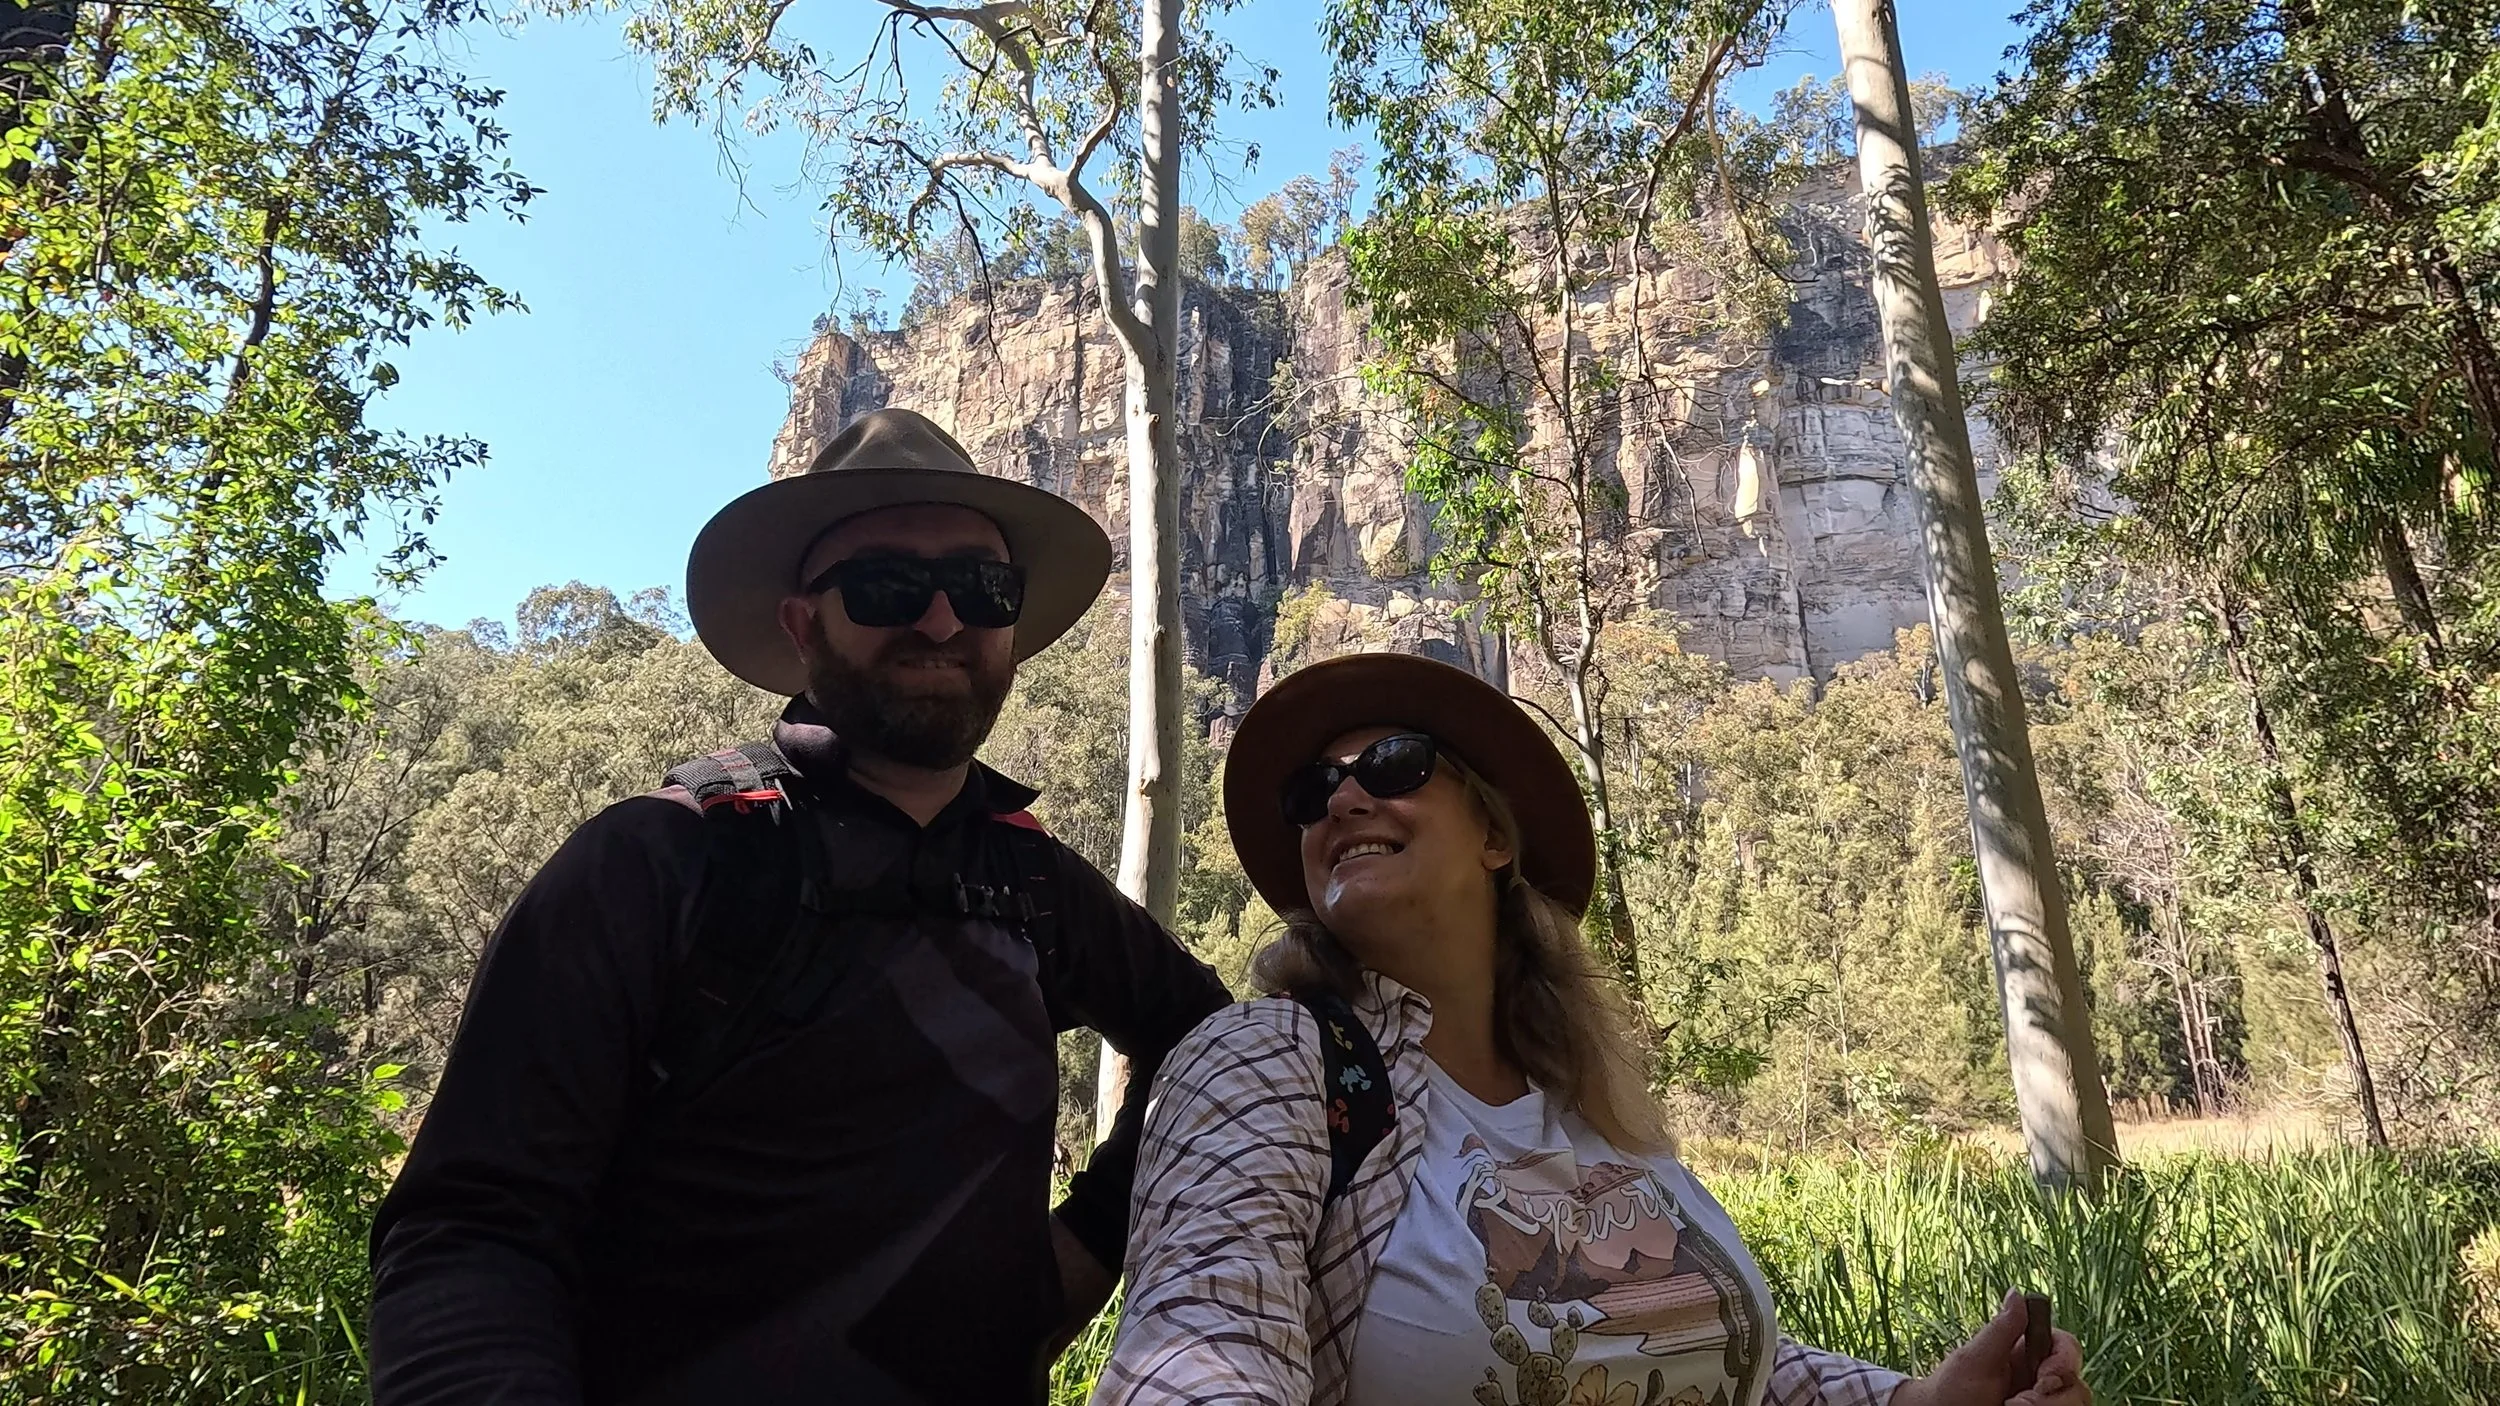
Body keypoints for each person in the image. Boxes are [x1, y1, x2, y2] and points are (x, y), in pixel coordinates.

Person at [368, 409, 1232, 1406]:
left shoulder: (1032, 881)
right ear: (801, 623)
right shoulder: (663, 858)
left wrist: (1080, 1248)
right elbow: (471, 1225)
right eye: (886, 585)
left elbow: (1211, 1044)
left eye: (981, 587)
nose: (942, 619)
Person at [1094, 652, 2093, 1406]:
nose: (1344, 795)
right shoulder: (1270, 1064)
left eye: (1393, 763)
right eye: (1310, 792)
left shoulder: (1586, 1102)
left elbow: (1683, 1352)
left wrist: (1919, 1397)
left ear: (1495, 836)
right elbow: (1201, 1339)